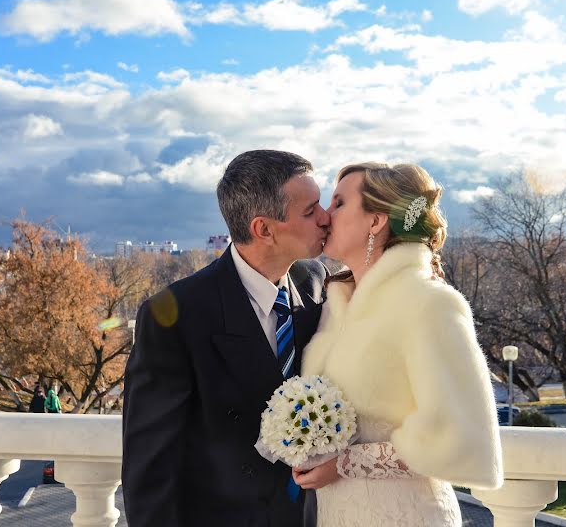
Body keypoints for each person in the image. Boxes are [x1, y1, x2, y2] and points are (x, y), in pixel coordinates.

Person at [122, 150, 330, 526]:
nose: (326, 217)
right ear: (264, 229)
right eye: (311, 210)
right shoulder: (174, 315)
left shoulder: (314, 283)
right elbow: (150, 466)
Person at [296, 162, 503, 526]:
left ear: (376, 221)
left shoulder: (430, 303)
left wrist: (344, 463)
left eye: (339, 203)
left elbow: (463, 439)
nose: (326, 216)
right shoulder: (336, 307)